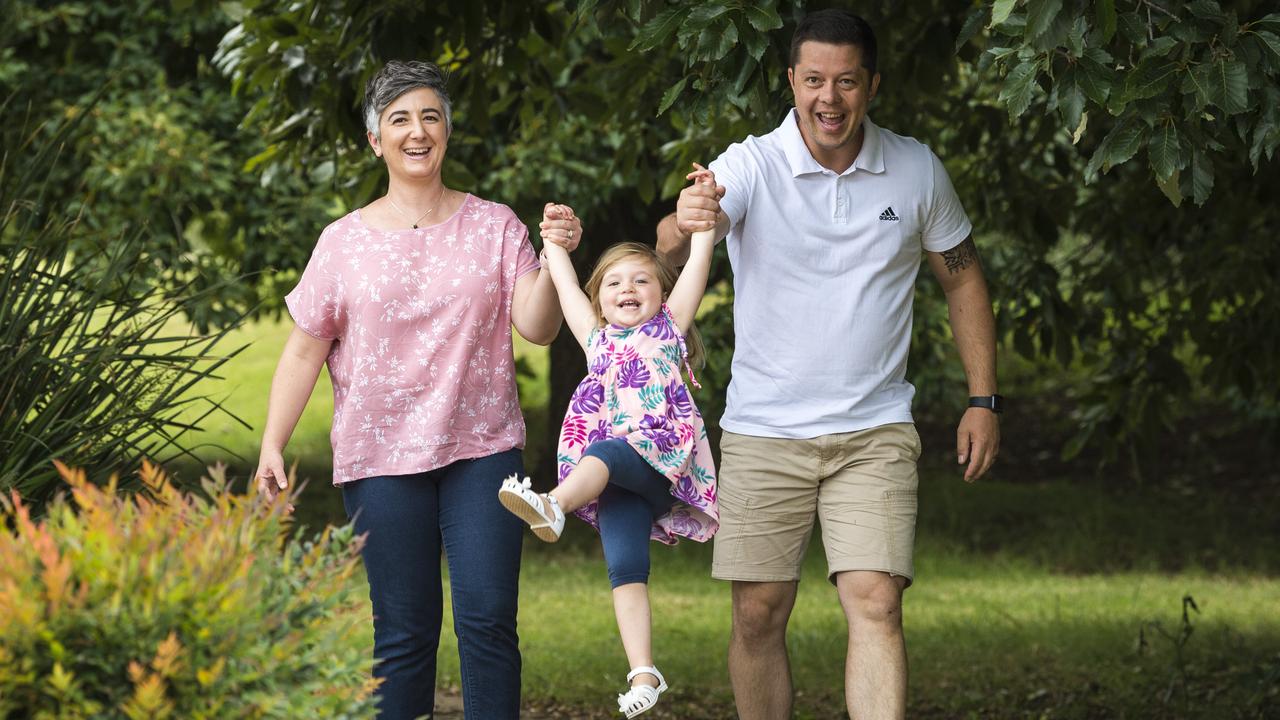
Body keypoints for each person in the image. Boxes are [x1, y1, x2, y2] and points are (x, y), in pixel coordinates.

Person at [656, 9, 1001, 720]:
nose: (829, 98)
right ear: (791, 80)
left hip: (874, 428)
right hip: (763, 428)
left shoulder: (915, 169)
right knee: (757, 612)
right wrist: (688, 216)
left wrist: (983, 400)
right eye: (814, 79)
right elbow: (681, 232)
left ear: (871, 85)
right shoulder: (751, 163)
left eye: (846, 81)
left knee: (876, 602)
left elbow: (962, 277)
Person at [254, 60, 578, 720]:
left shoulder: (495, 227)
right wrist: (271, 445)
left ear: (448, 132)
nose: (417, 131)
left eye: (431, 116)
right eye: (399, 119)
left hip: (483, 450)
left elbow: (539, 328)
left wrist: (555, 259)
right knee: (403, 638)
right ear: (376, 140)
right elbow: (303, 349)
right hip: (379, 461)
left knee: (488, 626)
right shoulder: (341, 243)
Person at [497, 194, 720, 719]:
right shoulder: (595, 337)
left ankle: (552, 503)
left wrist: (706, 225)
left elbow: (698, 269)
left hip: (657, 457)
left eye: (642, 281)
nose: (628, 290)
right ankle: (644, 672)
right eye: (615, 283)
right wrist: (552, 241)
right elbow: (568, 287)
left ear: (662, 293)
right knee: (625, 568)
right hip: (618, 482)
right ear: (601, 300)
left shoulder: (669, 329)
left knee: (604, 451)